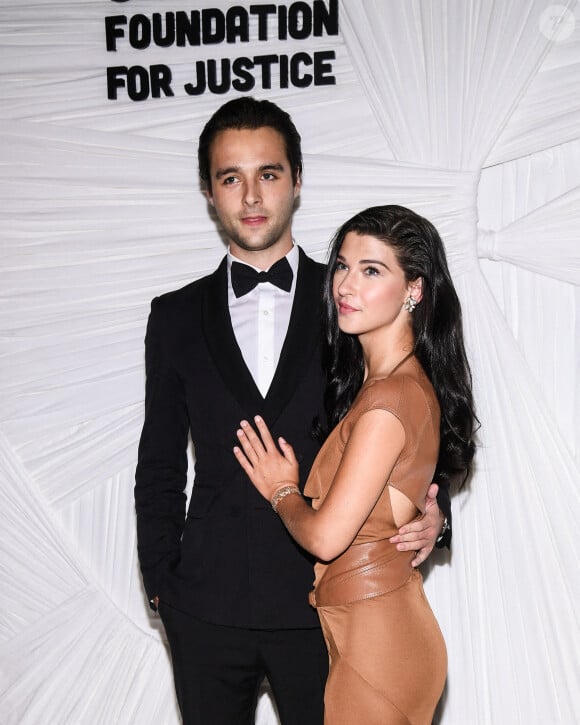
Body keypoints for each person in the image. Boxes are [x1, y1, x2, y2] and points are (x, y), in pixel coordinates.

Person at [134, 98, 450, 725]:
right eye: (231, 177)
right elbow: (160, 463)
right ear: (209, 191)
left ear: (297, 181)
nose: (251, 195)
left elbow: (413, 416)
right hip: (204, 607)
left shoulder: (352, 299)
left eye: (269, 173)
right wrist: (163, 584)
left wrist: (432, 513)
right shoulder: (173, 318)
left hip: (321, 607)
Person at [234, 204, 477, 724]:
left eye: (372, 270)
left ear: (414, 290)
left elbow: (326, 538)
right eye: (342, 265)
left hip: (377, 645)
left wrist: (283, 492)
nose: (346, 284)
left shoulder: (390, 398)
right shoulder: (388, 386)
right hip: (375, 632)